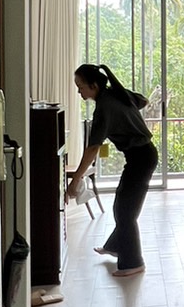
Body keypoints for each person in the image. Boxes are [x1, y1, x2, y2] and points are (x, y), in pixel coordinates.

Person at [68, 63, 158, 278]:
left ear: (93, 85)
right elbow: (144, 101)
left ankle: (133, 263)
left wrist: (75, 179)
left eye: (81, 87)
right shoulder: (115, 95)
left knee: (125, 211)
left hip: (141, 158)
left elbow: (93, 148)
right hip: (140, 156)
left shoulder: (104, 107)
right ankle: (116, 246)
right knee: (123, 206)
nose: (79, 91)